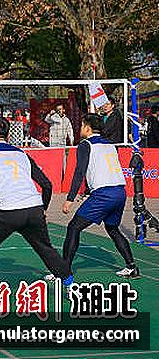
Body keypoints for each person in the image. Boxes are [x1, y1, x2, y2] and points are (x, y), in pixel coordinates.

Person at [0, 116, 73, 308]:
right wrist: (43, 209)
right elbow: (47, 185)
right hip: (33, 209)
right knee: (46, 249)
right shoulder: (22, 154)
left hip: (7, 211)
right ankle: (72, 287)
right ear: (7, 135)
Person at [48, 114, 139, 280]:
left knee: (73, 228)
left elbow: (79, 172)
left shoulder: (86, 144)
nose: (80, 128)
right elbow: (103, 169)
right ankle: (132, 267)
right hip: (120, 192)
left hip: (104, 194)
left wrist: (70, 199)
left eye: (82, 125)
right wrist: (89, 190)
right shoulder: (110, 144)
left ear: (87, 128)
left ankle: (63, 271)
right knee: (112, 229)